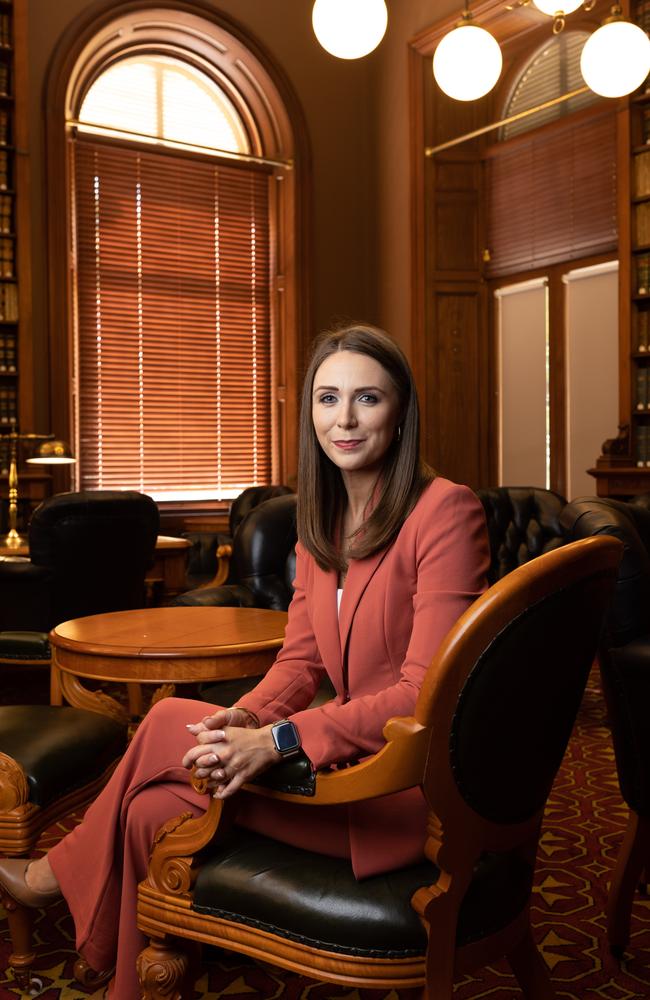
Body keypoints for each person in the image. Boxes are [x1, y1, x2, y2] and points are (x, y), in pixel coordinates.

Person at [0, 324, 490, 998]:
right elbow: (300, 666)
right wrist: (245, 714)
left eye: (367, 399)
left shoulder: (445, 511)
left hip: (401, 792)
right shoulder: (320, 524)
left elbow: (423, 694)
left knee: (170, 717)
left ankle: (48, 880)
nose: (343, 419)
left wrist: (279, 739)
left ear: (402, 411)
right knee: (149, 810)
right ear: (310, 413)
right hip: (344, 766)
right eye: (327, 399)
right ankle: (118, 978)